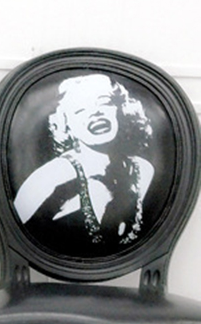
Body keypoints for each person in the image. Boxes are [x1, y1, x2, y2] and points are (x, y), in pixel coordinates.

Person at [13, 73, 155, 256]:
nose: (96, 113)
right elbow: (15, 241)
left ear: (121, 110)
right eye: (79, 109)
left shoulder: (143, 170)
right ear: (66, 124)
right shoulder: (49, 179)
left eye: (104, 103)